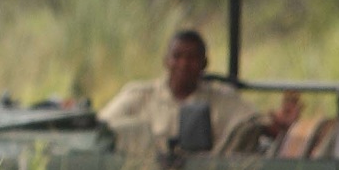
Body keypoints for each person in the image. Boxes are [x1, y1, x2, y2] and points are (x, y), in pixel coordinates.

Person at [98, 29, 301, 154]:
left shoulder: (223, 99)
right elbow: (99, 129)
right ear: (166, 61)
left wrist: (283, 124)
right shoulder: (139, 96)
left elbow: (257, 126)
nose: (184, 64)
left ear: (204, 63)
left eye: (192, 58)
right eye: (177, 57)